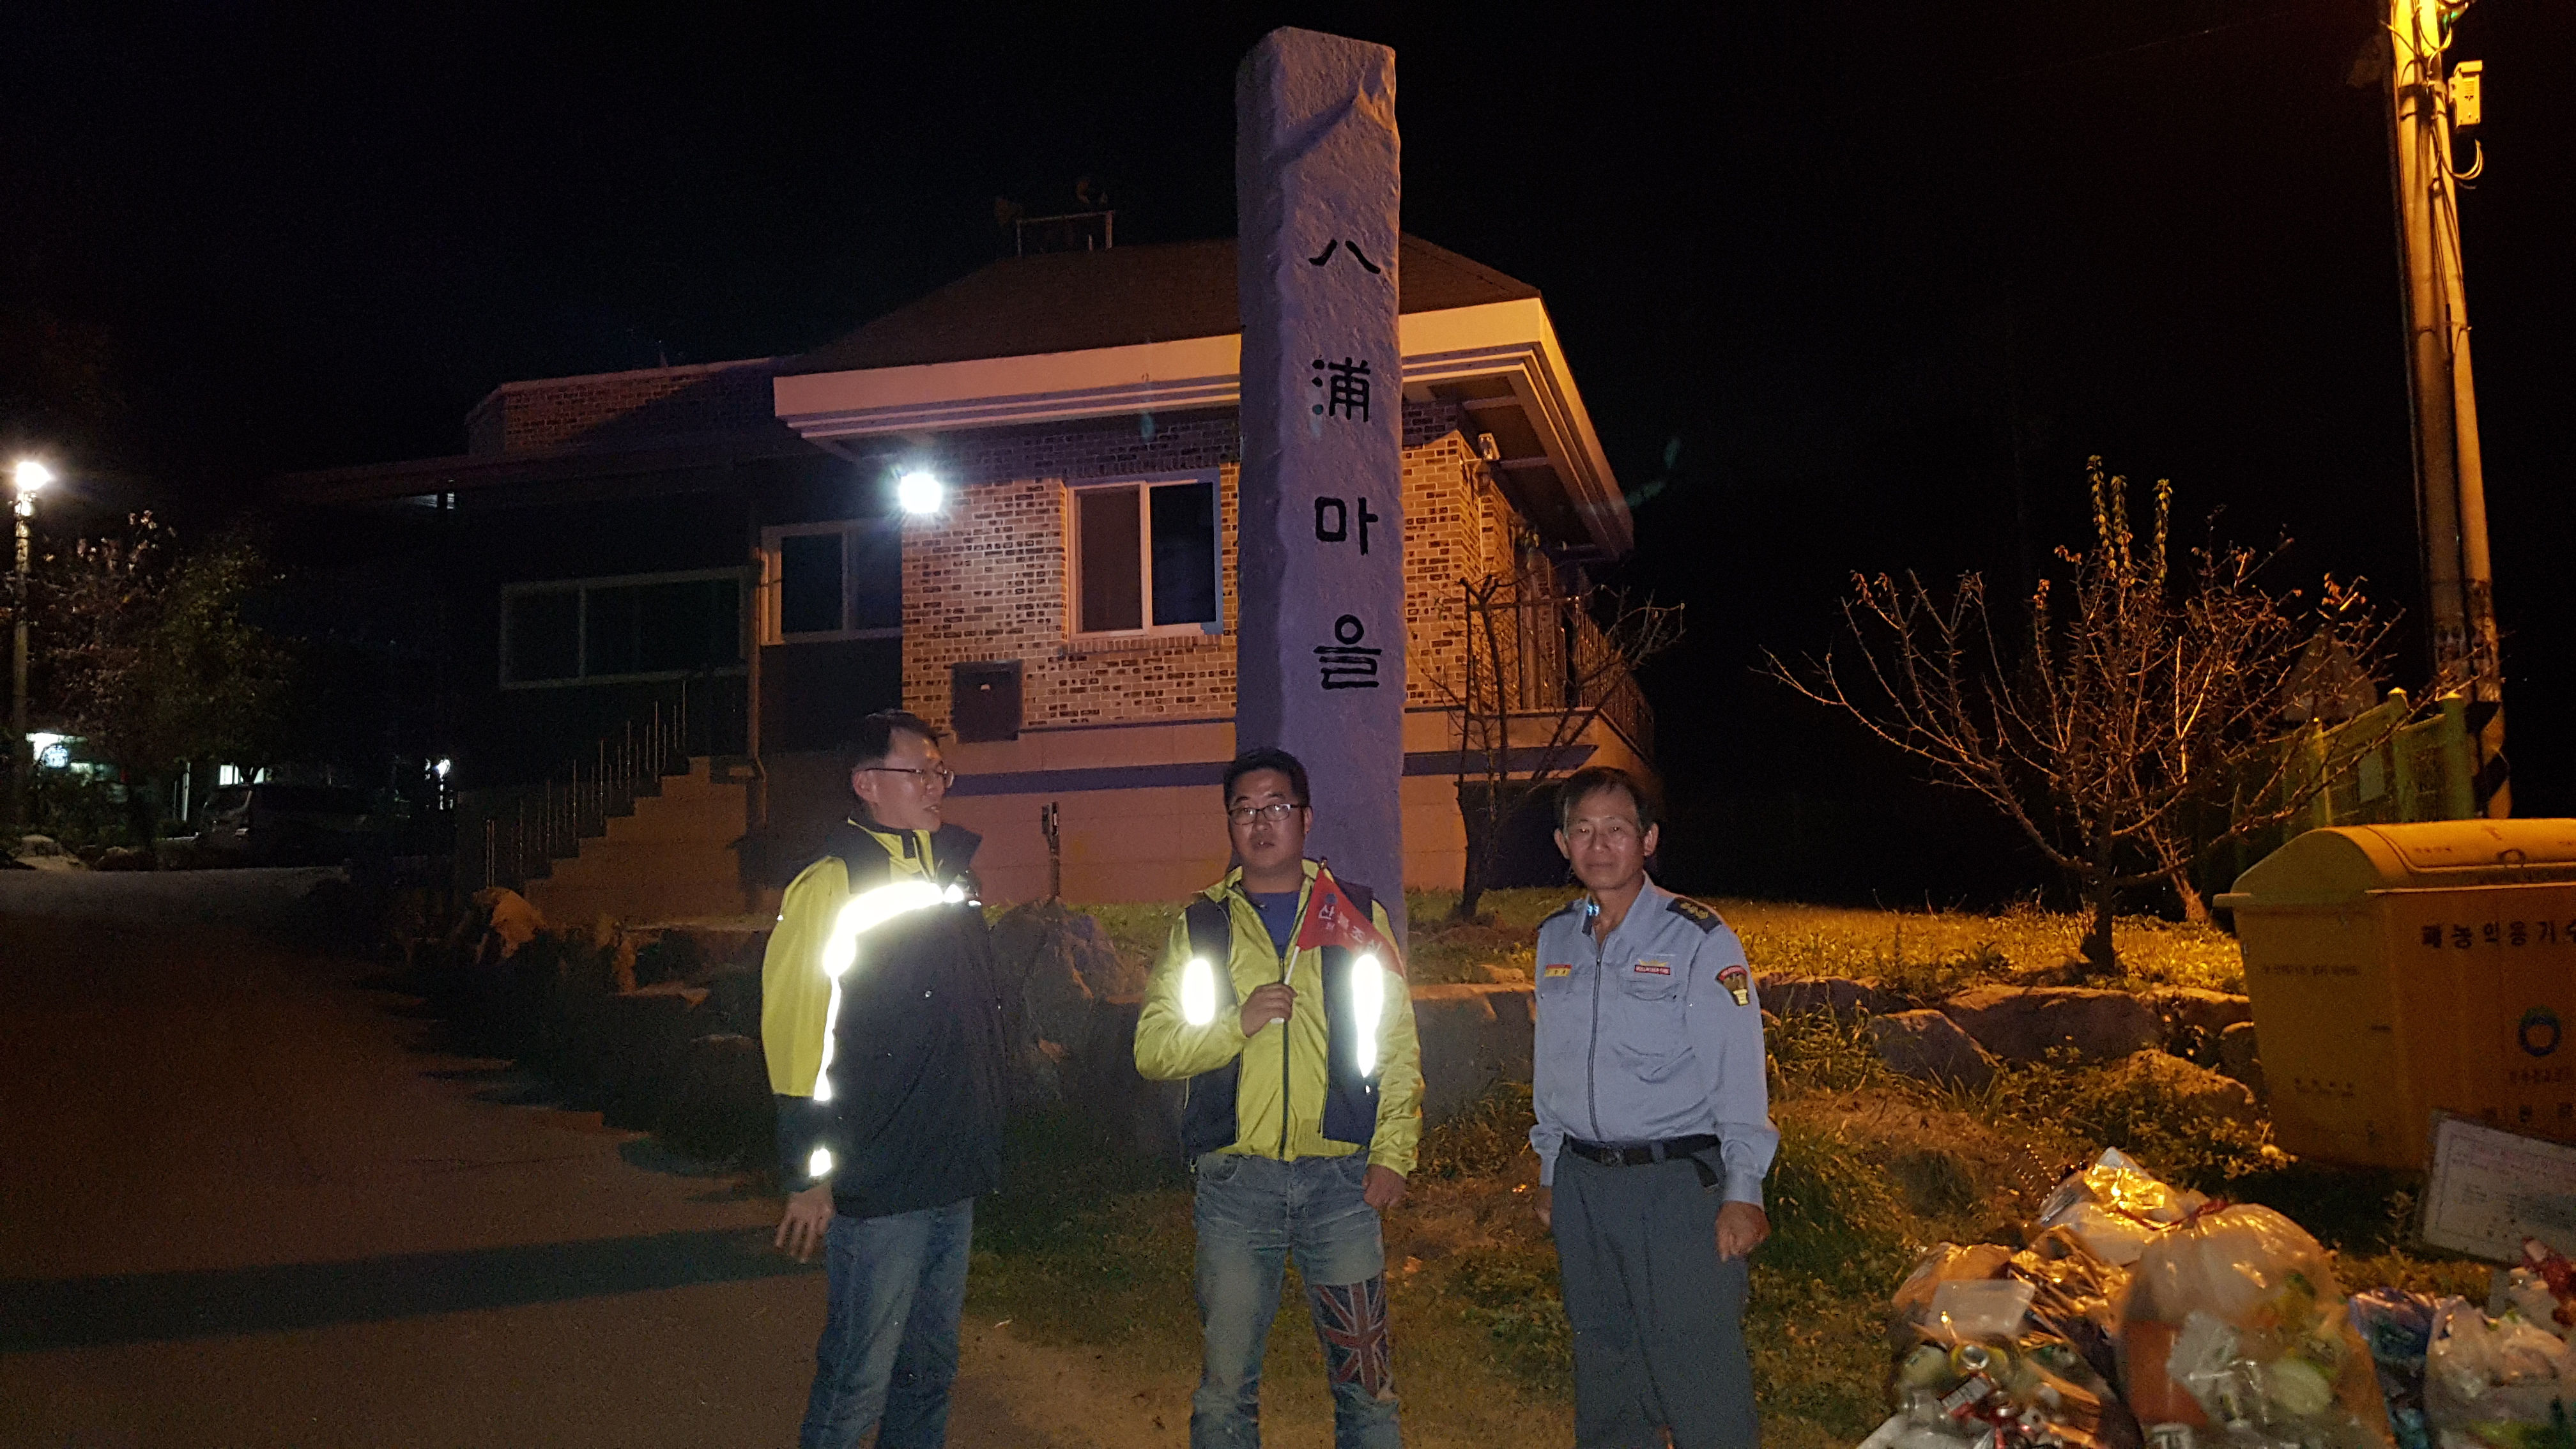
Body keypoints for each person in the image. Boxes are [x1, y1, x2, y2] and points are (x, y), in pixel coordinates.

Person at [1133, 747, 1423, 1449]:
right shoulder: (1202, 925)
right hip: (1237, 1188)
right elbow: (1153, 1048)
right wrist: (1237, 1025)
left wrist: (1393, 1152)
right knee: (1226, 1392)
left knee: (1368, 1388)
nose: (1261, 823)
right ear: (1229, 824)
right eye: (1245, 810)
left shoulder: (1354, 915)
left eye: (1277, 807)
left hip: (1342, 1184)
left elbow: (1397, 1040)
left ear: (1306, 818)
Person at [760, 710, 1009, 1449]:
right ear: (868, 784)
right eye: (919, 772)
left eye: (940, 771)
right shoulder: (831, 886)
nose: (936, 785)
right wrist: (810, 1172)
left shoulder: (951, 874)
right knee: (856, 1382)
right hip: (879, 1179)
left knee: (930, 1373)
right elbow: (797, 1036)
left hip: (950, 1170)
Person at [1530, 765, 1779, 1449]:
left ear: (1648, 839)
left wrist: (1743, 1189)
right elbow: (1551, 1066)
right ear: (1563, 843)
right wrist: (1551, 1171)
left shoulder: (1698, 938)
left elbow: (1737, 1071)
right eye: (1583, 830)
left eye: (1616, 829)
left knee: (1699, 1370)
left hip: (1673, 1188)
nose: (1599, 845)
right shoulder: (1556, 938)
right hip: (1584, 1184)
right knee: (1605, 1363)